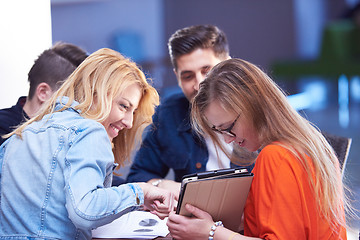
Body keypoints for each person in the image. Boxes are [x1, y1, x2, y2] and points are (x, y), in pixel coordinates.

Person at [0, 48, 175, 239]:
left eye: (132, 112)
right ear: (94, 92)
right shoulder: (89, 130)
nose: (129, 122)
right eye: (123, 106)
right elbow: (86, 210)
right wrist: (140, 191)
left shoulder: (20, 134)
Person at [167, 58, 348, 239]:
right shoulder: (312, 145)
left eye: (229, 127)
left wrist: (211, 232)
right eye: (220, 131)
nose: (228, 140)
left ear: (252, 106)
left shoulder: (276, 156)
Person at [126, 25, 255, 196]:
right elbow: (137, 178)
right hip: (192, 216)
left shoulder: (258, 109)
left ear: (228, 65)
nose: (199, 84)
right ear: (177, 77)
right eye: (187, 76)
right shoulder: (169, 113)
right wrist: (164, 186)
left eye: (207, 71)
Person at [0, 42, 88, 145]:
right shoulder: (4, 131)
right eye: (73, 97)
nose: (78, 106)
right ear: (43, 92)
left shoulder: (68, 134)